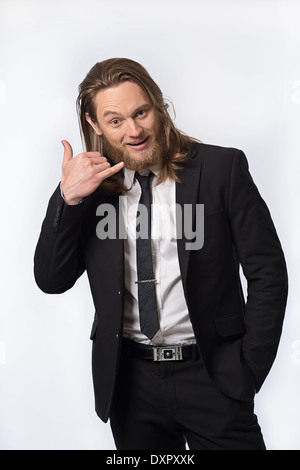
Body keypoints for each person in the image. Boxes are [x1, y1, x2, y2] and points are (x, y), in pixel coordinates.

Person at [34, 58, 288, 450]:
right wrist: (67, 199)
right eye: (115, 120)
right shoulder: (91, 191)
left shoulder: (222, 169)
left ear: (159, 105)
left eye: (141, 112)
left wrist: (248, 368)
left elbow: (267, 271)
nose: (134, 131)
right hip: (131, 385)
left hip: (213, 375)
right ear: (94, 125)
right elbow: (51, 280)